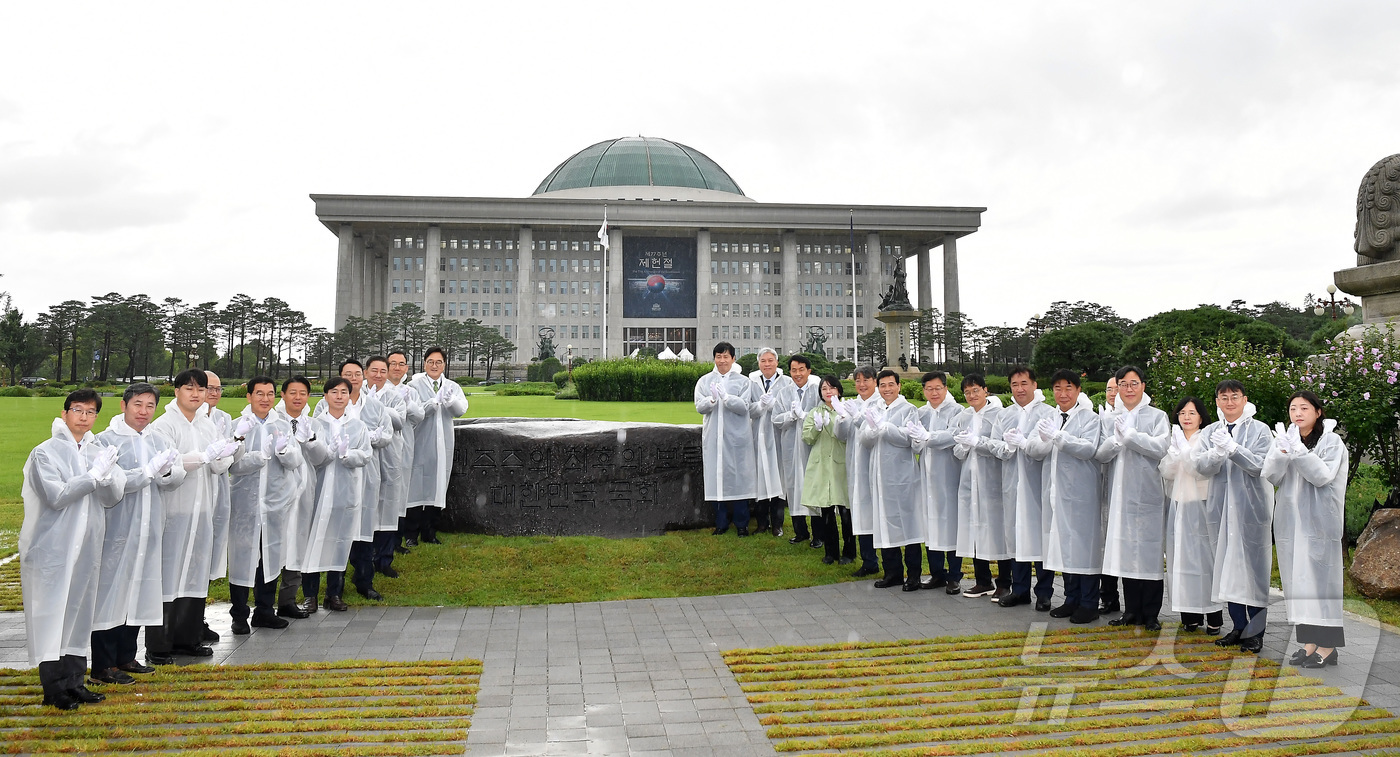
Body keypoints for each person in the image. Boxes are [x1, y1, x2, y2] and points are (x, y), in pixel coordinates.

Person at [21, 390, 125, 709]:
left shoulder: (97, 450)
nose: (83, 417)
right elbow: (56, 496)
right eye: (77, 410)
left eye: (91, 412)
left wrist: (105, 477)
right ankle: (53, 688)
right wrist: (93, 476)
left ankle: (75, 681)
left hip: (88, 546)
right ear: (65, 413)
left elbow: (111, 498)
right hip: (54, 547)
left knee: (79, 613)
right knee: (53, 615)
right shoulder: (45, 453)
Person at [90, 383, 184, 685]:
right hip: (117, 530)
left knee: (137, 589)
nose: (144, 412)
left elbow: (172, 479)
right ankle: (103, 664)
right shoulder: (106, 441)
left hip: (149, 527)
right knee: (110, 594)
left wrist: (168, 471)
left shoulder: (157, 439)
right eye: (138, 405)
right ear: (123, 406)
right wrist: (147, 472)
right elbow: (113, 484)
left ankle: (126, 655)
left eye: (150, 406)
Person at [148, 370, 238, 662]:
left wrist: (227, 451)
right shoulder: (164, 426)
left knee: (194, 574)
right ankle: (160, 645)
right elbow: (169, 466)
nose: (197, 394)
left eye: (201, 389)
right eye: (189, 388)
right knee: (168, 576)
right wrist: (204, 457)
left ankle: (188, 638)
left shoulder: (206, 424)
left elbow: (219, 465)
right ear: (176, 391)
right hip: (174, 511)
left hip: (202, 512)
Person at [1264, 391, 1348, 669]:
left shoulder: (1331, 441)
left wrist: (1299, 454)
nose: (1297, 413)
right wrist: (1281, 452)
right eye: (1292, 409)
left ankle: (1328, 647)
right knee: (1299, 584)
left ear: (1318, 412)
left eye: (1304, 408)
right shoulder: (1289, 439)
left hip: (1320, 524)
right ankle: (1308, 644)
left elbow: (1322, 476)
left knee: (1322, 586)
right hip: (1292, 524)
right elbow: (1272, 475)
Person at [1193, 379, 1274, 653]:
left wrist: (1234, 449)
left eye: (1234, 396)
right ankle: (1238, 626)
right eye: (1223, 397)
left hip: (1251, 508)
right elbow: (1201, 467)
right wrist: (1217, 453)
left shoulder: (1260, 430)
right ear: (1216, 401)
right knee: (1228, 569)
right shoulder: (1211, 432)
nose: (1229, 401)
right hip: (1220, 508)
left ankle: (1256, 633)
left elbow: (1261, 466)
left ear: (1244, 399)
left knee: (1255, 571)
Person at [1096, 366, 1170, 631]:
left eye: (1133, 383)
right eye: (1123, 384)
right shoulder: (1109, 418)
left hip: (1147, 493)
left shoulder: (1157, 416)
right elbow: (1100, 455)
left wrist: (1131, 436)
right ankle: (1131, 611)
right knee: (1126, 552)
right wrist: (1116, 441)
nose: (1128, 389)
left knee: (1148, 554)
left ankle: (1151, 613)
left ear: (1143, 386)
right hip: (1118, 496)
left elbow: (1161, 448)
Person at [1026, 370, 1103, 625]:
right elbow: (1034, 451)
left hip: (1081, 493)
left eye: (1068, 388)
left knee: (1083, 547)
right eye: (1057, 388)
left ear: (1079, 390)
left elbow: (1089, 449)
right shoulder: (1049, 417)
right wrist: (1046, 439)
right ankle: (1071, 598)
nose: (1063, 393)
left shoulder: (1090, 418)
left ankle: (1089, 602)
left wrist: (1060, 437)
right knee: (1062, 544)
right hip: (1055, 491)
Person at [227, 376, 302, 634]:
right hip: (245, 504)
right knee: (242, 558)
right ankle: (239, 615)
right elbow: (232, 465)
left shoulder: (281, 425)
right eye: (259, 394)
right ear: (248, 396)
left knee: (269, 557)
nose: (265, 399)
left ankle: (264, 611)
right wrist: (258, 458)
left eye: (270, 394)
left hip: (273, 505)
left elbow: (295, 461)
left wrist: (283, 451)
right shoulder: (237, 425)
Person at [317, 360, 393, 600]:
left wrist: (372, 438)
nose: (353, 378)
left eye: (357, 374)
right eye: (347, 374)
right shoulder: (325, 403)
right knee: (336, 531)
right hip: (334, 478)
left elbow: (387, 434)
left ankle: (364, 581)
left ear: (364, 377)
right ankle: (334, 587)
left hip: (366, 474)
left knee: (363, 530)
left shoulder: (375, 406)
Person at [301, 377, 373, 612]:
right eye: (334, 392)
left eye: (344, 392)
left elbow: (365, 455)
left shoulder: (358, 426)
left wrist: (346, 455)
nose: (339, 396)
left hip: (345, 492)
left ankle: (334, 593)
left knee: (339, 542)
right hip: (318, 491)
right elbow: (312, 458)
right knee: (313, 541)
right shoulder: (314, 425)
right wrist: (327, 451)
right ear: (325, 396)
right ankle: (309, 595)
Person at [987, 366, 1056, 610]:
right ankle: (1020, 590)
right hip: (1012, 483)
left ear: (1034, 385)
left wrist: (1025, 444)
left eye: (1024, 383)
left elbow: (1047, 446)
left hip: (1038, 484)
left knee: (1040, 537)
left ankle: (1045, 592)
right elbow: (993, 443)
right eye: (1015, 385)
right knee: (1016, 536)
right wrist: (1006, 447)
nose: (1020, 389)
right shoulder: (1004, 415)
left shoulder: (1048, 413)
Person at [1160, 396, 1223, 635]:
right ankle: (1190, 615)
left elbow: (1203, 470)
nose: (1186, 417)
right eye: (1182, 413)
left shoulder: (1205, 438)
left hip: (1202, 506)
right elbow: (1166, 471)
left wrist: (1187, 453)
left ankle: (1213, 615)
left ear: (1201, 417)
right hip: (1179, 506)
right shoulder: (1174, 439)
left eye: (1192, 413)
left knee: (1205, 561)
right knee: (1180, 561)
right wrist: (1176, 455)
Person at [860, 369, 926, 590]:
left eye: (891, 385)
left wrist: (884, 427)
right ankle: (893, 573)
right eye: (883, 385)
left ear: (899, 386)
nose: (887, 389)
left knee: (908, 524)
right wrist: (872, 430)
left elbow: (908, 439)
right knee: (884, 523)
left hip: (902, 476)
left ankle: (914, 575)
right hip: (879, 476)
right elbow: (865, 440)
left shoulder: (909, 410)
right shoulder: (873, 408)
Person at [952, 374, 1011, 599]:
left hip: (993, 480)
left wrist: (978, 442)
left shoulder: (999, 415)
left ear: (985, 390)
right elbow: (956, 451)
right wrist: (965, 445)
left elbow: (1002, 447)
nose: (971, 395)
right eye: (967, 392)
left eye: (975, 390)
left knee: (998, 531)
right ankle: (982, 580)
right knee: (976, 530)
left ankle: (1004, 582)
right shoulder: (963, 416)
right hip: (970, 481)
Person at [404, 347, 469, 545]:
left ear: (444, 365)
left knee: (437, 487)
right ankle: (410, 534)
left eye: (438, 362)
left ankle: (430, 532)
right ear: (424, 363)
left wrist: (449, 401)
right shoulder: (413, 386)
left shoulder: (452, 386)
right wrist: (433, 402)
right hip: (420, 442)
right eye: (431, 361)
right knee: (415, 488)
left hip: (443, 445)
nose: (434, 365)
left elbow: (461, 411)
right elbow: (414, 412)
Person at [908, 371, 965, 593]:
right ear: (923, 391)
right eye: (929, 389)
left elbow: (953, 436)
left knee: (950, 525)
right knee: (930, 524)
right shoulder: (920, 413)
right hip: (926, 476)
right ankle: (936, 573)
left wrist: (928, 437)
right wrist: (917, 440)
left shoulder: (957, 412)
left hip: (948, 476)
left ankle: (955, 576)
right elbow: (914, 443)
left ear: (946, 388)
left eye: (938, 388)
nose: (933, 392)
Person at [694, 342, 756, 535]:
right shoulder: (704, 381)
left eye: (726, 357)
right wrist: (712, 399)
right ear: (714, 358)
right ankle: (720, 523)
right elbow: (699, 406)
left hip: (736, 439)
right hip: (714, 438)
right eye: (719, 357)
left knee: (738, 480)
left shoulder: (743, 381)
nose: (722, 361)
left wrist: (727, 398)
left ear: (733, 359)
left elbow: (744, 406)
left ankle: (742, 524)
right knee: (717, 481)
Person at [274, 375, 320, 617]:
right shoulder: (273, 421)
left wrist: (311, 440)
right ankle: (264, 603)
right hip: (278, 492)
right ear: (283, 395)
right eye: (293, 392)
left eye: (303, 393)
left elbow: (323, 458)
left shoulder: (313, 423)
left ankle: (288, 599)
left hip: (304, 490)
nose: (298, 397)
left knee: (298, 540)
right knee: (274, 542)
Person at [365, 355, 411, 577]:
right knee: (367, 506)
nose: (378, 375)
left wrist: (378, 407)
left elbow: (399, 421)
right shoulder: (358, 395)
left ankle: (384, 558)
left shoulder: (395, 396)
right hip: (366, 458)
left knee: (389, 506)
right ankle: (364, 557)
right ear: (366, 372)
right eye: (374, 370)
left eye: (382, 371)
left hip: (391, 455)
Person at [834, 366, 882, 577]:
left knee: (877, 512)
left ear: (875, 381)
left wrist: (857, 417)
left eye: (866, 380)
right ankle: (868, 559)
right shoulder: (853, 403)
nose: (861, 385)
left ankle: (889, 560)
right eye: (858, 381)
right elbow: (841, 435)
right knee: (861, 513)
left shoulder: (881, 403)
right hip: (855, 463)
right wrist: (842, 417)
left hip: (874, 463)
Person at [773, 355, 822, 548]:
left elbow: (823, 415)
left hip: (812, 447)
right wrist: (790, 416)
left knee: (813, 488)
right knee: (793, 488)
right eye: (794, 370)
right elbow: (775, 419)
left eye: (801, 369)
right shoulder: (784, 393)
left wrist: (805, 416)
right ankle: (800, 531)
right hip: (791, 447)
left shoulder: (817, 391)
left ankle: (819, 534)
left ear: (809, 371)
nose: (798, 374)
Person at [802, 375, 852, 564]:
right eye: (824, 389)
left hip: (841, 466)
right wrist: (816, 428)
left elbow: (844, 436)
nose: (828, 391)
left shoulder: (847, 409)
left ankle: (849, 552)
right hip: (822, 466)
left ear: (838, 390)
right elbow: (806, 437)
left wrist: (835, 422)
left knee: (846, 511)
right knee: (827, 512)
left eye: (831, 388)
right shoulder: (815, 411)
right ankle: (831, 552)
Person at [200, 371, 232, 646]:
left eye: (218, 388)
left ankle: (199, 616)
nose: (213, 393)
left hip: (218, 489)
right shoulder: (188, 420)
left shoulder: (224, 419)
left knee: (209, 555)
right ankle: (186, 621)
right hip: (195, 493)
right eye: (209, 388)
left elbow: (230, 454)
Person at [747, 347, 789, 536]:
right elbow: (748, 409)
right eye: (763, 361)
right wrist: (760, 405)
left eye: (770, 360)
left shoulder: (786, 383)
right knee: (760, 481)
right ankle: (762, 523)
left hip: (778, 437)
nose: (767, 364)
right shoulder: (752, 383)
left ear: (777, 362)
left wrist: (775, 407)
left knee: (778, 480)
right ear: (759, 364)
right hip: (758, 437)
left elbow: (788, 408)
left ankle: (777, 524)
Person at [387, 350, 424, 556]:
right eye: (393, 363)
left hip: (404, 445)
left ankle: (396, 540)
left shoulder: (411, 391)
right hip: (382, 447)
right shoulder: (375, 389)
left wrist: (407, 404)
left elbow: (419, 416)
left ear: (407, 368)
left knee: (401, 493)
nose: (397, 368)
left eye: (401, 364)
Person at [1099, 376, 1121, 615]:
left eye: (1118, 388)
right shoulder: (1100, 417)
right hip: (1103, 490)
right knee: (1104, 546)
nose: (1113, 392)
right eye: (1109, 388)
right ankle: (1108, 596)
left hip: (1126, 493)